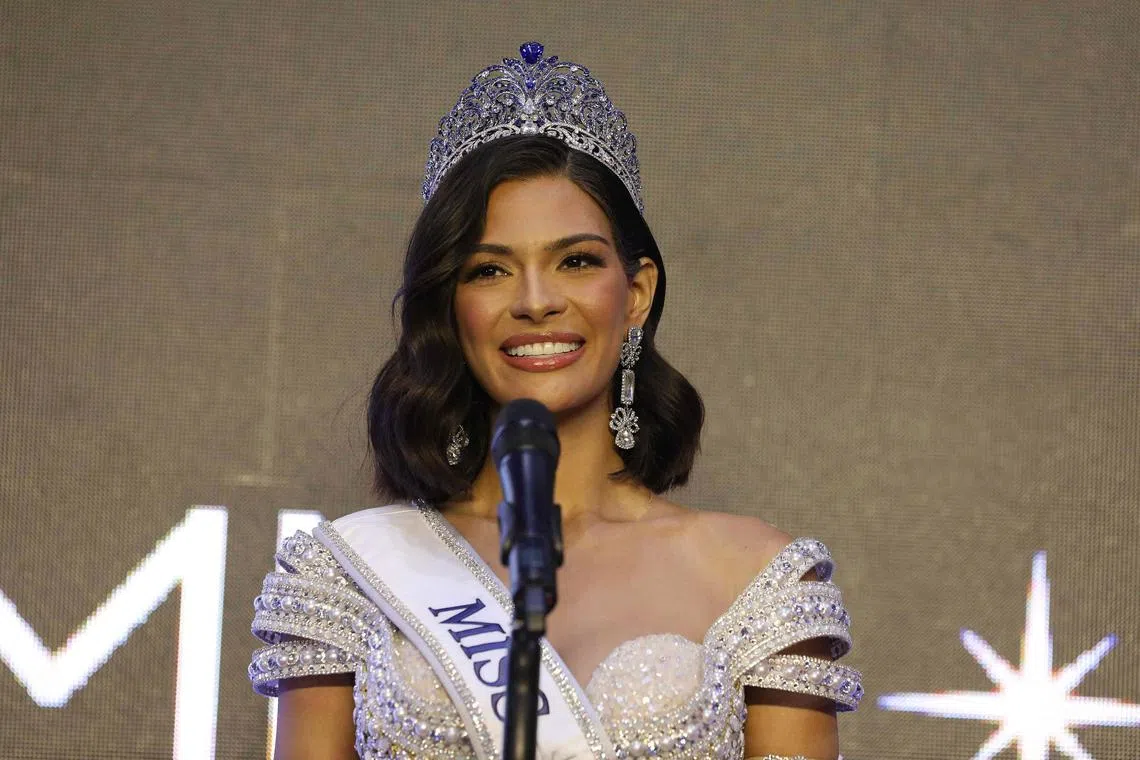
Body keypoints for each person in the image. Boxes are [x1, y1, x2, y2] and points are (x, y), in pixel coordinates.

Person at [249, 42, 862, 760]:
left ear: (636, 293)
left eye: (575, 261)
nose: (536, 301)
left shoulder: (753, 578)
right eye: (490, 270)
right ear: (449, 306)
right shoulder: (351, 575)